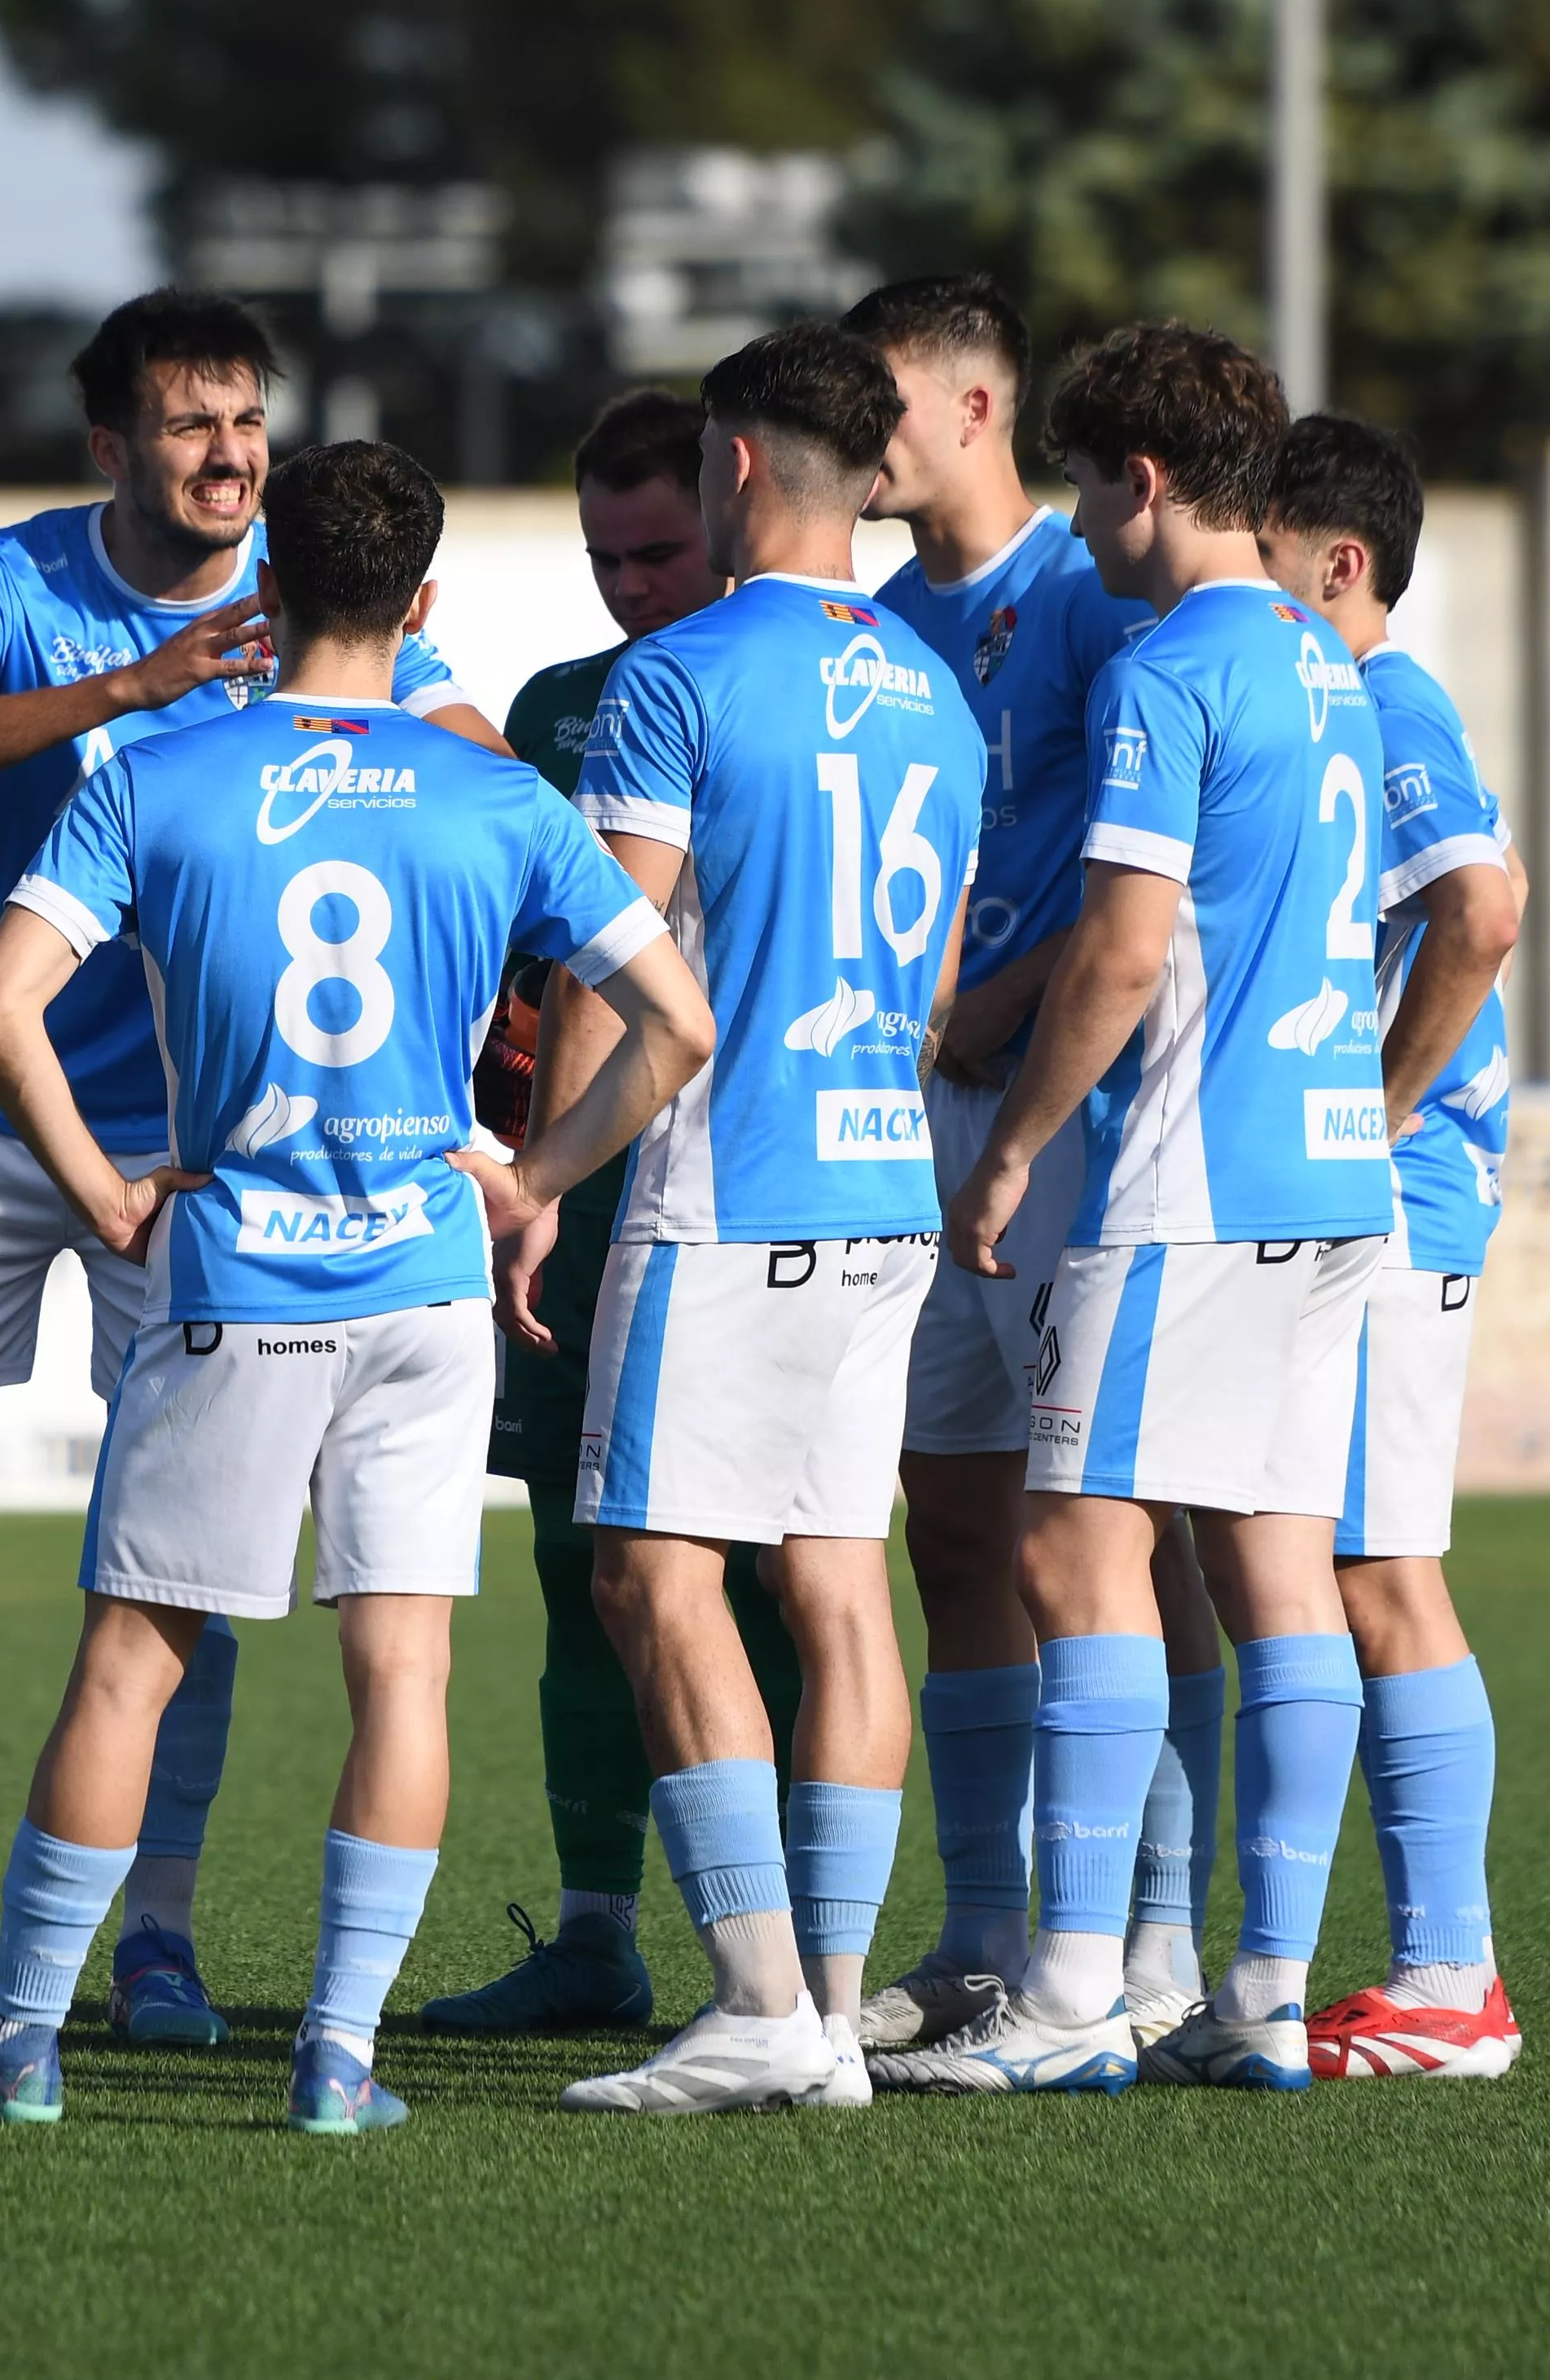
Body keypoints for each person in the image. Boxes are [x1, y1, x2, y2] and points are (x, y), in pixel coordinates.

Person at [0, 441, 712, 2132]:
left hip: (240, 1271)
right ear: (418, 608)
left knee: (130, 1659)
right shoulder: (500, 798)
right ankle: (338, 2059)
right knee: (400, 1673)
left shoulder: (160, 775)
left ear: (267, 593)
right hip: (420, 1280)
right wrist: (532, 1181)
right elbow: (675, 1025)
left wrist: (105, 1183)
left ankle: (20, 2047)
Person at [0, 291, 503, 2048]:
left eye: (244, 419)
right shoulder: (12, 576)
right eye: (188, 424)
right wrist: (141, 687)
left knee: (192, 1554)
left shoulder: (322, 611)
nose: (229, 453)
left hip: (199, 1151)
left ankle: (156, 1933)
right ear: (110, 448)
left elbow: (478, 772)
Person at [896, 322, 1385, 2099]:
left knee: (1068, 1549)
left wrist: (1017, 1143)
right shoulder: (1330, 667)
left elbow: (1115, 950)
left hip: (1190, 1175)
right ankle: (1262, 1992)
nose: (1088, 520)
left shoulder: (1169, 668)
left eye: (1097, 483)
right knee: (1269, 1567)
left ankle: (1073, 1994)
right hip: (1336, 1177)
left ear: (1146, 483)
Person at [551, 323, 988, 2118]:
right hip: (888, 1180)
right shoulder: (939, 694)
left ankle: (750, 2000)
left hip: (728, 1189)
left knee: (651, 1574)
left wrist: (539, 1177)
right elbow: (943, 982)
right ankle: (822, 2014)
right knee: (835, 1587)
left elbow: (621, 966)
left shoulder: (678, 675)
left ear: (732, 466)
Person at [415, 389, 807, 2038]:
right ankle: (594, 1933)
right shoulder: (555, 705)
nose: (632, 584)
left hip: (743, 1195)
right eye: (602, 555)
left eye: (657, 548)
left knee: (775, 1575)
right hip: (569, 1201)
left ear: (724, 518)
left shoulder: (771, 686)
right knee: (577, 1571)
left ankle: (794, 1954)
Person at [836, 275, 1164, 2057]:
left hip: (1065, 1123)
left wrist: (996, 1004)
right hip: (917, 1121)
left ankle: (1144, 1949)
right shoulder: (882, 625)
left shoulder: (1094, 602)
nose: (856, 428)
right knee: (950, 1520)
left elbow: (1139, 893)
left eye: (879, 395)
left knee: (1108, 1536)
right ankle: (977, 1937)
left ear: (973, 408)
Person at [1251, 413, 1529, 2083]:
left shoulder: (1380, 699)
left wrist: (1370, 1108)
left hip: (1400, 1195)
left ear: (1335, 566)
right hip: (1382, 1185)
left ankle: (1451, 1982)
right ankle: (1433, 1971)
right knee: (1342, 1563)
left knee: (1376, 1568)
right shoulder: (1338, 699)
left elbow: (1479, 909)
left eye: (1265, 556)